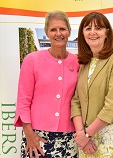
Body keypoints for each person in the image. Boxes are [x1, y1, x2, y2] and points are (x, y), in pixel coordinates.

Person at [14, 10, 80, 158]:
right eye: (53, 29)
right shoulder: (32, 60)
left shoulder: (77, 62)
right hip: (36, 137)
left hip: (68, 137)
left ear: (69, 31)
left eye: (62, 29)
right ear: (46, 33)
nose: (58, 33)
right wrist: (29, 134)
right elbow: (23, 101)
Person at [71, 12, 113, 157]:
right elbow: (76, 101)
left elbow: (112, 105)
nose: (92, 33)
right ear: (82, 33)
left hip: (110, 135)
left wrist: (86, 134)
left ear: (106, 33)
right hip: (85, 139)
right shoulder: (85, 63)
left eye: (98, 28)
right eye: (88, 28)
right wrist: (81, 134)